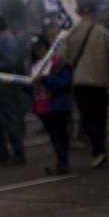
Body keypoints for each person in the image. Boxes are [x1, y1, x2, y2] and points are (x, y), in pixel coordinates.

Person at [64, 3, 109, 168]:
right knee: (101, 116)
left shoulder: (71, 33)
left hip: (81, 81)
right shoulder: (102, 31)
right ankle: (101, 147)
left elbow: (63, 57)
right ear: (92, 14)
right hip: (100, 80)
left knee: (88, 117)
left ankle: (97, 150)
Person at [0, 14, 26, 165]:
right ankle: (2, 153)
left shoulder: (8, 40)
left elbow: (10, 62)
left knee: (10, 121)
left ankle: (18, 152)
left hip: (6, 86)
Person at [28, 35, 73, 175]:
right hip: (43, 107)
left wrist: (45, 79)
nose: (38, 52)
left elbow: (63, 83)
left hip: (57, 105)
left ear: (47, 47)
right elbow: (29, 89)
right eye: (35, 49)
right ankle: (61, 162)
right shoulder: (33, 66)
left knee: (60, 135)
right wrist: (28, 84)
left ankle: (63, 162)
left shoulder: (58, 63)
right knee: (55, 137)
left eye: (40, 48)